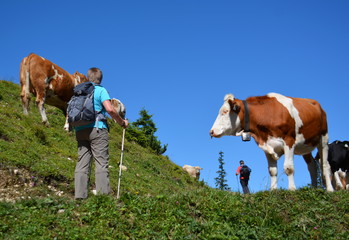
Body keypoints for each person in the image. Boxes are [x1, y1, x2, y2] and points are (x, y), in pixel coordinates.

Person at [74, 67, 128, 200]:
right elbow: (110, 109)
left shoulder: (79, 91)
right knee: (101, 163)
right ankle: (103, 198)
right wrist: (122, 122)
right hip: (97, 129)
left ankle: (80, 197)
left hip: (80, 129)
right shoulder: (100, 90)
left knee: (82, 163)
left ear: (88, 77)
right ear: (100, 78)